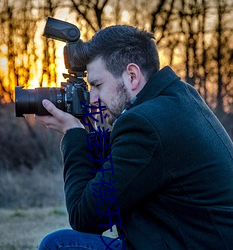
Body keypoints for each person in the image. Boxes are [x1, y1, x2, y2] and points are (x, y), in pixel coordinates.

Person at [35, 25, 233, 249]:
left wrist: (72, 135)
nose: (93, 99)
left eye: (98, 85)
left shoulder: (145, 124)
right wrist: (80, 132)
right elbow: (124, 155)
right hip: (198, 240)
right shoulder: (178, 98)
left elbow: (85, 219)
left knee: (59, 244)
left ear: (132, 75)